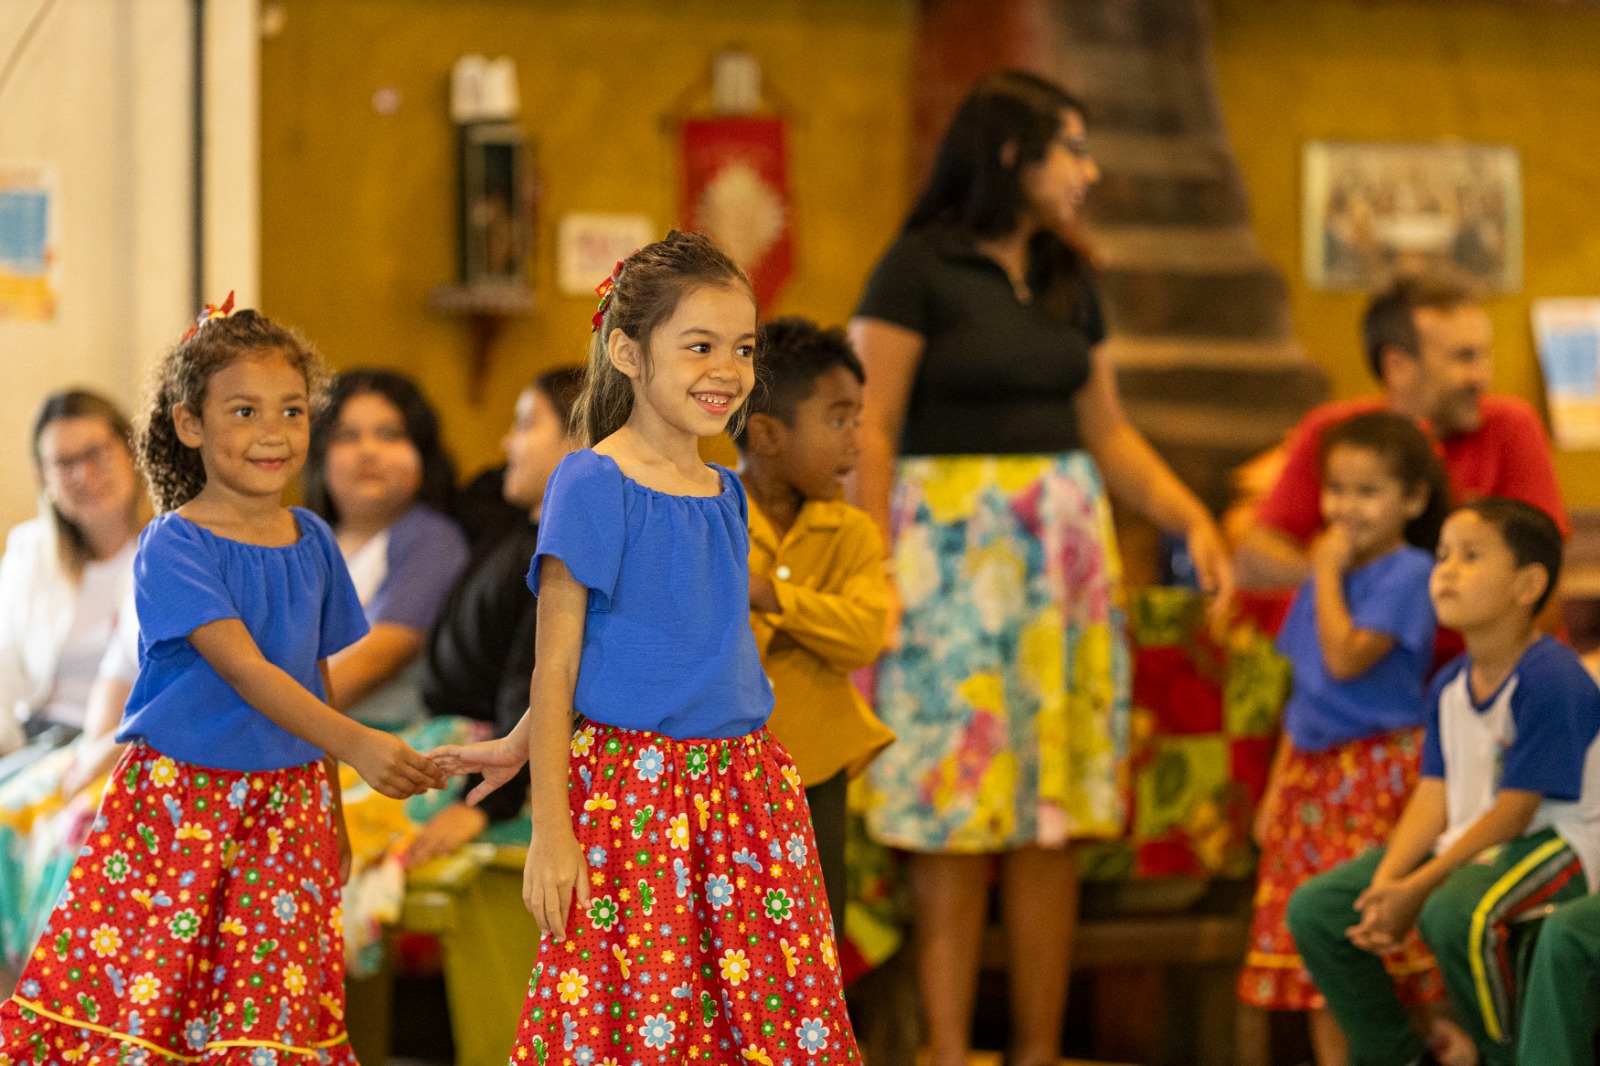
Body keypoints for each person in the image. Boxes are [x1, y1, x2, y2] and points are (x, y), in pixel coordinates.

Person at [849, 70, 1233, 1066]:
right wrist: (872, 564)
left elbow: (1107, 432)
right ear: (1012, 156)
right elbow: (871, 427)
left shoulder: (1067, 273)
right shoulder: (914, 268)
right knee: (954, 805)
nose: (1088, 171)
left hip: (1060, 568)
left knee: (1049, 814)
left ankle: (1037, 1048)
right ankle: (941, 1046)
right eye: (1073, 149)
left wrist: (1190, 516)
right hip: (945, 562)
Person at [430, 231, 862, 1066]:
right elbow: (557, 662)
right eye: (698, 346)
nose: (726, 370)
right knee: (642, 1019)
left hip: (746, 793)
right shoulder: (592, 481)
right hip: (637, 799)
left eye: (741, 349)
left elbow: (673, 644)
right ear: (627, 352)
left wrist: (519, 740)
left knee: (764, 1021)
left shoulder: (726, 490)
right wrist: (550, 831)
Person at [0, 303, 447, 1063]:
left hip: (290, 804)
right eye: (244, 410)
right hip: (180, 803)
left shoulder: (313, 543)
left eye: (293, 410)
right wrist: (361, 745)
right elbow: (244, 669)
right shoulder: (171, 543)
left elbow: (314, 679)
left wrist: (334, 803)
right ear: (190, 423)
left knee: (272, 1001)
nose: (273, 431)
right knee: (151, 996)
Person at [1287, 498, 1600, 1066]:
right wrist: (1386, 884)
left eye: (1471, 556)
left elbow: (1516, 812)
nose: (1447, 571)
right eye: (1443, 556)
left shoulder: (1551, 678)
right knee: (1319, 908)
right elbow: (1435, 795)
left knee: (1455, 911)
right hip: (1474, 843)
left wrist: (1420, 885)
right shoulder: (1451, 683)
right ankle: (1398, 1054)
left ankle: (1504, 1056)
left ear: (1527, 584)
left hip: (1559, 843)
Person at [1238, 412, 1453, 1064]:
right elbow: (1308, 691)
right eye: (1336, 489)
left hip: (1378, 775)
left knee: (1375, 937)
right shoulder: (1322, 576)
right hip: (1312, 777)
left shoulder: (1410, 573)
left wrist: (1323, 573)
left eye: (1368, 492)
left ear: (1412, 500)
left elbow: (1345, 657)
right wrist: (1276, 791)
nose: (1345, 509)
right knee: (1317, 964)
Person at [1236, 273, 1569, 591]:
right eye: (1464, 358)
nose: (1481, 377)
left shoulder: (1511, 424)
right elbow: (1256, 554)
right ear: (1398, 367)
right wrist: (1355, 587)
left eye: (1484, 355)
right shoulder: (1336, 431)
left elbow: (1546, 571)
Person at [733, 316, 896, 940]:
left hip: (816, 771)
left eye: (859, 420)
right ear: (768, 435)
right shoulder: (708, 516)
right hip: (721, 769)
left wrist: (771, 595)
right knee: (730, 935)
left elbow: (861, 634)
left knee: (813, 930)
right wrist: (806, 617)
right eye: (838, 420)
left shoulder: (851, 531)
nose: (855, 443)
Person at [409, 364, 585, 868]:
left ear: (579, 441)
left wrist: (481, 806)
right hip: (454, 745)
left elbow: (534, 680)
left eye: (527, 425)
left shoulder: (557, 560)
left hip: (491, 766)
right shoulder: (513, 527)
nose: (508, 442)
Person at [303, 368, 470, 730]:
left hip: (382, 749)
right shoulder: (303, 538)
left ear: (422, 452)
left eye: (389, 435)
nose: (368, 451)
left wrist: (258, 726)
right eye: (347, 436)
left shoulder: (431, 540)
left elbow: (374, 663)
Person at [0, 390, 146, 753]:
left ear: (130, 451)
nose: (83, 474)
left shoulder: (170, 553)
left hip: (120, 749)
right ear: (43, 476)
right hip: (33, 742)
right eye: (65, 463)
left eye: (96, 453)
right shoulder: (29, 550)